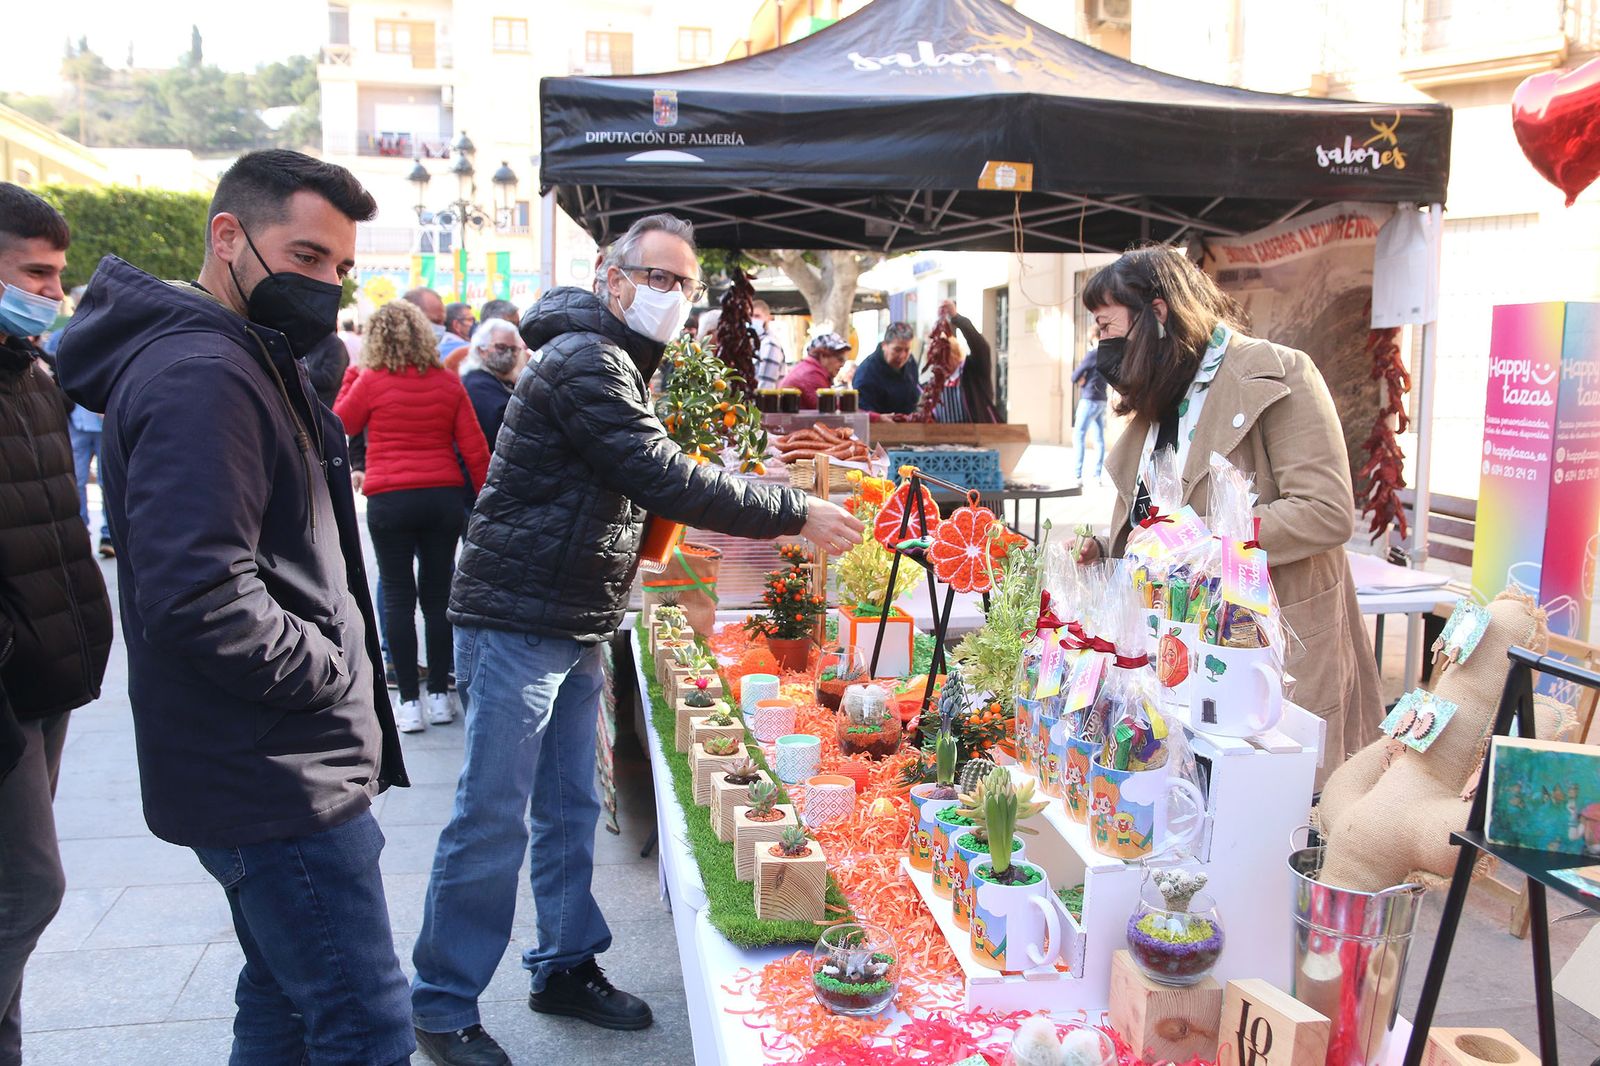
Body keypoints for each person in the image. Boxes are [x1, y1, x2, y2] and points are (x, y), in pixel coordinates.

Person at [410, 212, 864, 1065]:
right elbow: (660, 474)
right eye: (657, 277)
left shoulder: (614, 357)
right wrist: (795, 510)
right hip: (518, 618)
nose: (673, 296)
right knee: (492, 818)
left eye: (683, 284)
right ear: (609, 277)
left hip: (571, 613)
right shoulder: (588, 359)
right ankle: (441, 1005)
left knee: (570, 807)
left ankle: (564, 965)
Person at [55, 149, 416, 1066]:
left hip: (273, 761)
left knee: (286, 998)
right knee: (363, 1022)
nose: (324, 286)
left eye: (338, 268)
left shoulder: (240, 357)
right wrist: (330, 666)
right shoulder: (203, 375)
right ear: (229, 237)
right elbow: (200, 592)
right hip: (276, 770)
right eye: (304, 258)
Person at [1073, 245, 1380, 779]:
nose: (1101, 345)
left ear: (1158, 313)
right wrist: (1115, 546)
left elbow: (1325, 511)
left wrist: (1206, 543)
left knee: (1279, 815)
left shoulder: (1279, 374)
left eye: (1106, 326)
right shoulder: (1158, 400)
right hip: (1173, 659)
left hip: (1267, 654)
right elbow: (1160, 515)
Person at [0, 183, 113, 1066]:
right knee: (25, 892)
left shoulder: (31, 373)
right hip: (11, 684)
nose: (51, 293)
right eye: (35, 274)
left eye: (55, 276)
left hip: (47, 675)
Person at [335, 299, 489, 734]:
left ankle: (408, 703)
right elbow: (475, 449)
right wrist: (483, 504)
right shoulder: (447, 382)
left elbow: (340, 422)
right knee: (439, 598)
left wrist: (352, 374)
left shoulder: (370, 380)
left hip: (390, 501)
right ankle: (441, 695)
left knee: (397, 599)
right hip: (441, 498)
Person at [928, 299, 1002, 423]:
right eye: (935, 358)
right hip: (943, 440)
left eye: (944, 356)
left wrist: (955, 317)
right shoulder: (934, 384)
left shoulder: (974, 371)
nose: (939, 363)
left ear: (955, 355)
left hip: (978, 437)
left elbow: (981, 347)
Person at [459, 318, 527, 451]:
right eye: (501, 347)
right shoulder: (477, 385)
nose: (508, 354)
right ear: (481, 350)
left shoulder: (499, 380)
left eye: (513, 349)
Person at [853, 321, 919, 415]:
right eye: (897, 350)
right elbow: (864, 413)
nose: (902, 356)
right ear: (884, 345)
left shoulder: (911, 362)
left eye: (907, 350)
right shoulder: (866, 373)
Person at [1071, 326, 1109, 483]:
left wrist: (1081, 380)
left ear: (1094, 337)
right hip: (1101, 400)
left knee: (1078, 434)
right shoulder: (1107, 355)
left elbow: (1075, 375)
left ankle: (1077, 475)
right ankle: (1097, 475)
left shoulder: (1093, 354)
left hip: (1089, 399)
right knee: (1099, 439)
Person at [779, 331, 851, 408]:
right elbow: (829, 410)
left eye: (844, 360)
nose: (842, 364)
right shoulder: (812, 374)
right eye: (840, 359)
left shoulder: (809, 368)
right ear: (823, 355)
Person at [303, 330, 350, 408]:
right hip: (312, 403)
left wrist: (302, 372)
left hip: (326, 405)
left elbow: (330, 379)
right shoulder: (312, 341)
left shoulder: (335, 345)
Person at [751, 297, 787, 389]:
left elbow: (766, 385)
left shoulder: (769, 344)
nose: (752, 319)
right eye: (749, 316)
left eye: (757, 316)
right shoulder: (754, 343)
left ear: (768, 318)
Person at [440, 301, 475, 371]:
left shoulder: (436, 348)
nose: (474, 324)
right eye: (470, 320)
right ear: (456, 325)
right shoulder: (471, 350)